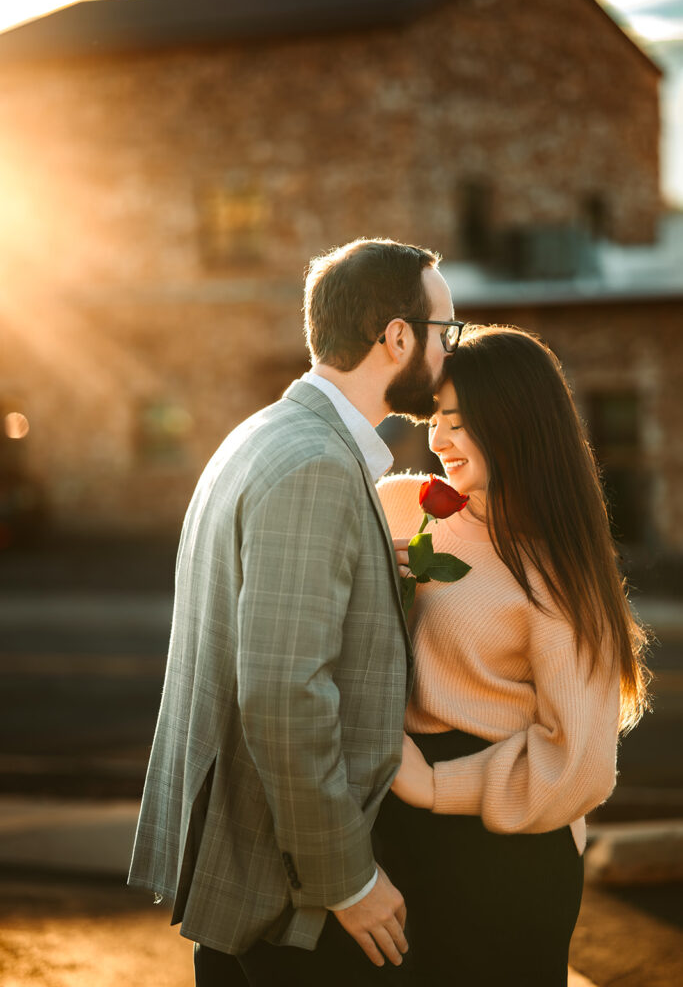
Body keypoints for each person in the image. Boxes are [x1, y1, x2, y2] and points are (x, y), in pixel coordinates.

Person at [127, 237, 462, 987]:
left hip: (247, 869)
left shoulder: (261, 435)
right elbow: (283, 691)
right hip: (293, 897)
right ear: (397, 337)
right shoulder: (315, 464)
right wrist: (348, 880)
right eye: (447, 331)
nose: (452, 351)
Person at [375, 324, 651, 987]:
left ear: (517, 427)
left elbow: (577, 767)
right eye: (437, 419)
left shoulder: (558, 571)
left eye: (461, 422)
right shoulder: (398, 507)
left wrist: (434, 786)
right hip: (392, 833)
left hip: (503, 855)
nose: (438, 440)